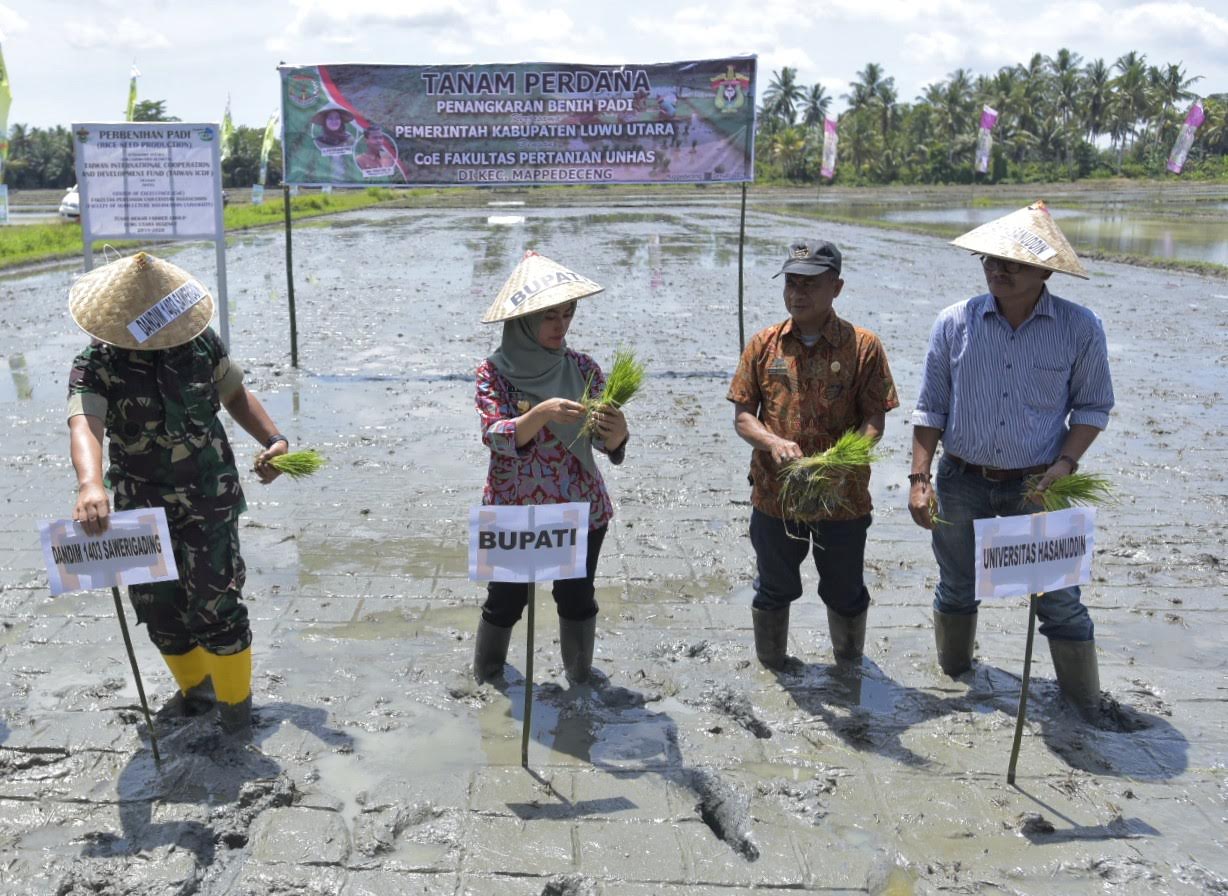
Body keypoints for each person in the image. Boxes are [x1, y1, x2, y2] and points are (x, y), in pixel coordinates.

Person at [66, 252, 289, 737]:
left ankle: (235, 716)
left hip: (210, 495)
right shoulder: (97, 363)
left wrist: (273, 440)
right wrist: (90, 482)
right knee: (158, 606)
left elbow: (235, 395)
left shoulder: (201, 344)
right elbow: (86, 422)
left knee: (217, 603)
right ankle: (196, 693)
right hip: (140, 505)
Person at [907, 201, 1114, 720]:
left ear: (1044, 270)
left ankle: (1085, 703)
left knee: (1059, 599)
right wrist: (919, 477)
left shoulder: (1079, 327)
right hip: (961, 480)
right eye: (989, 261)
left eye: (1012, 263)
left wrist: (1063, 466)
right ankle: (956, 679)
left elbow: (1092, 407)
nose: (996, 270)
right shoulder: (954, 323)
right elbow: (931, 407)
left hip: (1039, 484)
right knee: (956, 585)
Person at [728, 239, 899, 670]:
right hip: (775, 495)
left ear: (836, 287)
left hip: (842, 498)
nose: (797, 294)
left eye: (809, 284)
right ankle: (773, 667)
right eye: (790, 283)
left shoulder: (863, 347)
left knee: (845, 590)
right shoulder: (764, 345)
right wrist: (773, 443)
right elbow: (744, 417)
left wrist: (839, 462)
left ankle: (848, 666)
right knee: (773, 587)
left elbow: (874, 421)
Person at [472, 251, 629, 685]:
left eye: (567, 314)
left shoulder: (582, 368)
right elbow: (495, 434)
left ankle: (580, 677)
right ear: (523, 322)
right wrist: (539, 413)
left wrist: (617, 432)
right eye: (549, 317)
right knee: (505, 602)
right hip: (515, 508)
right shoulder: (493, 373)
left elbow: (605, 442)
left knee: (577, 598)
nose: (561, 326)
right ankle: (487, 677)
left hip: (580, 507)